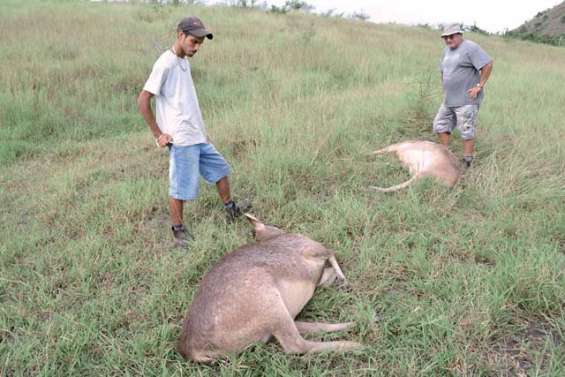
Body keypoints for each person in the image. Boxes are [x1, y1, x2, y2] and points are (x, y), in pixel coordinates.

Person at [138, 16, 249, 247]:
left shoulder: (183, 61)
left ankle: (231, 210)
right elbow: (143, 100)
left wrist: (201, 131)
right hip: (181, 138)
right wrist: (159, 134)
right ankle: (178, 232)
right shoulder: (165, 63)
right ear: (180, 35)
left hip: (196, 134)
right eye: (193, 41)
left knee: (220, 169)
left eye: (200, 43)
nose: (197, 47)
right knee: (181, 186)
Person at [432, 23, 493, 168]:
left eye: (451, 36)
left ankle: (467, 162)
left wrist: (479, 86)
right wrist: (445, 86)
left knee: (466, 130)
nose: (448, 40)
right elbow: (443, 70)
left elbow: (488, 64)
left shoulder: (470, 48)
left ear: (459, 35)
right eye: (445, 37)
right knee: (440, 125)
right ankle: (445, 155)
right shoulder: (446, 50)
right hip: (449, 99)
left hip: (466, 100)